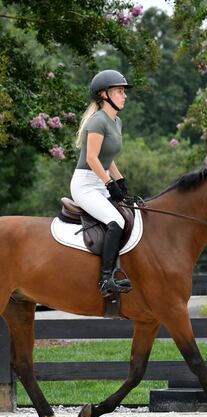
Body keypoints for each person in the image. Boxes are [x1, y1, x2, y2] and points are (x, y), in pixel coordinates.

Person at [71, 69, 134, 297]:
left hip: (101, 179)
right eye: (119, 91)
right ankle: (106, 279)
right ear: (104, 94)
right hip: (85, 183)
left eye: (124, 91)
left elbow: (109, 158)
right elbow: (91, 158)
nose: (124, 95)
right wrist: (109, 184)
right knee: (115, 220)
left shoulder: (116, 121)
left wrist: (120, 180)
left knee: (130, 214)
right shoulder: (98, 121)